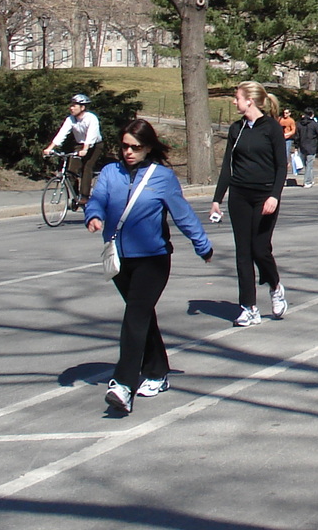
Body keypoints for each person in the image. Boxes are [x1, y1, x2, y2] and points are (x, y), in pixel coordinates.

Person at [86, 118, 213, 414]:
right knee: (141, 316)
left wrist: (202, 244)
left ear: (148, 147)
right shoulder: (109, 172)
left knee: (134, 316)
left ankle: (123, 384)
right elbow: (97, 200)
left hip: (153, 259)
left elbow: (182, 215)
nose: (129, 152)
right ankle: (157, 372)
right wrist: (93, 216)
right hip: (119, 259)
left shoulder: (162, 177)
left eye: (136, 147)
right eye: (125, 146)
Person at [210, 81, 288, 327]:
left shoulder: (272, 129)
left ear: (250, 100)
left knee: (260, 249)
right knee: (243, 253)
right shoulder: (237, 129)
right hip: (240, 196)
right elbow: (226, 167)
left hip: (265, 196)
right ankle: (249, 307)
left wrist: (274, 196)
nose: (234, 101)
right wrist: (216, 200)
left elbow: (280, 166)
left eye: (237, 98)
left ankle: (275, 286)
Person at [44, 92, 103, 209]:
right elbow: (62, 133)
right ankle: (76, 197)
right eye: (71, 105)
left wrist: (86, 149)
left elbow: (91, 135)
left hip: (94, 145)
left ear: (83, 107)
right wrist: (50, 148)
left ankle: (84, 197)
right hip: (80, 145)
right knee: (71, 171)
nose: (71, 108)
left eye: (74, 106)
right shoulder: (70, 119)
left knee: (87, 167)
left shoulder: (91, 118)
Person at [294, 109, 318, 188]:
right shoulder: (315, 124)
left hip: (302, 146)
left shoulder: (299, 124)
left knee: (307, 164)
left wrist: (296, 146)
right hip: (311, 146)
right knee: (309, 165)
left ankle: (310, 179)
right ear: (312, 115)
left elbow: (296, 136)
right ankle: (307, 181)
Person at [278, 108, 298, 183]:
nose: (285, 114)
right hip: (280, 138)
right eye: (284, 113)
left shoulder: (291, 121)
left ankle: (286, 166)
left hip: (287, 139)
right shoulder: (280, 119)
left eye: (286, 113)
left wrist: (287, 134)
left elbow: (293, 130)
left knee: (286, 153)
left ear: (289, 113)